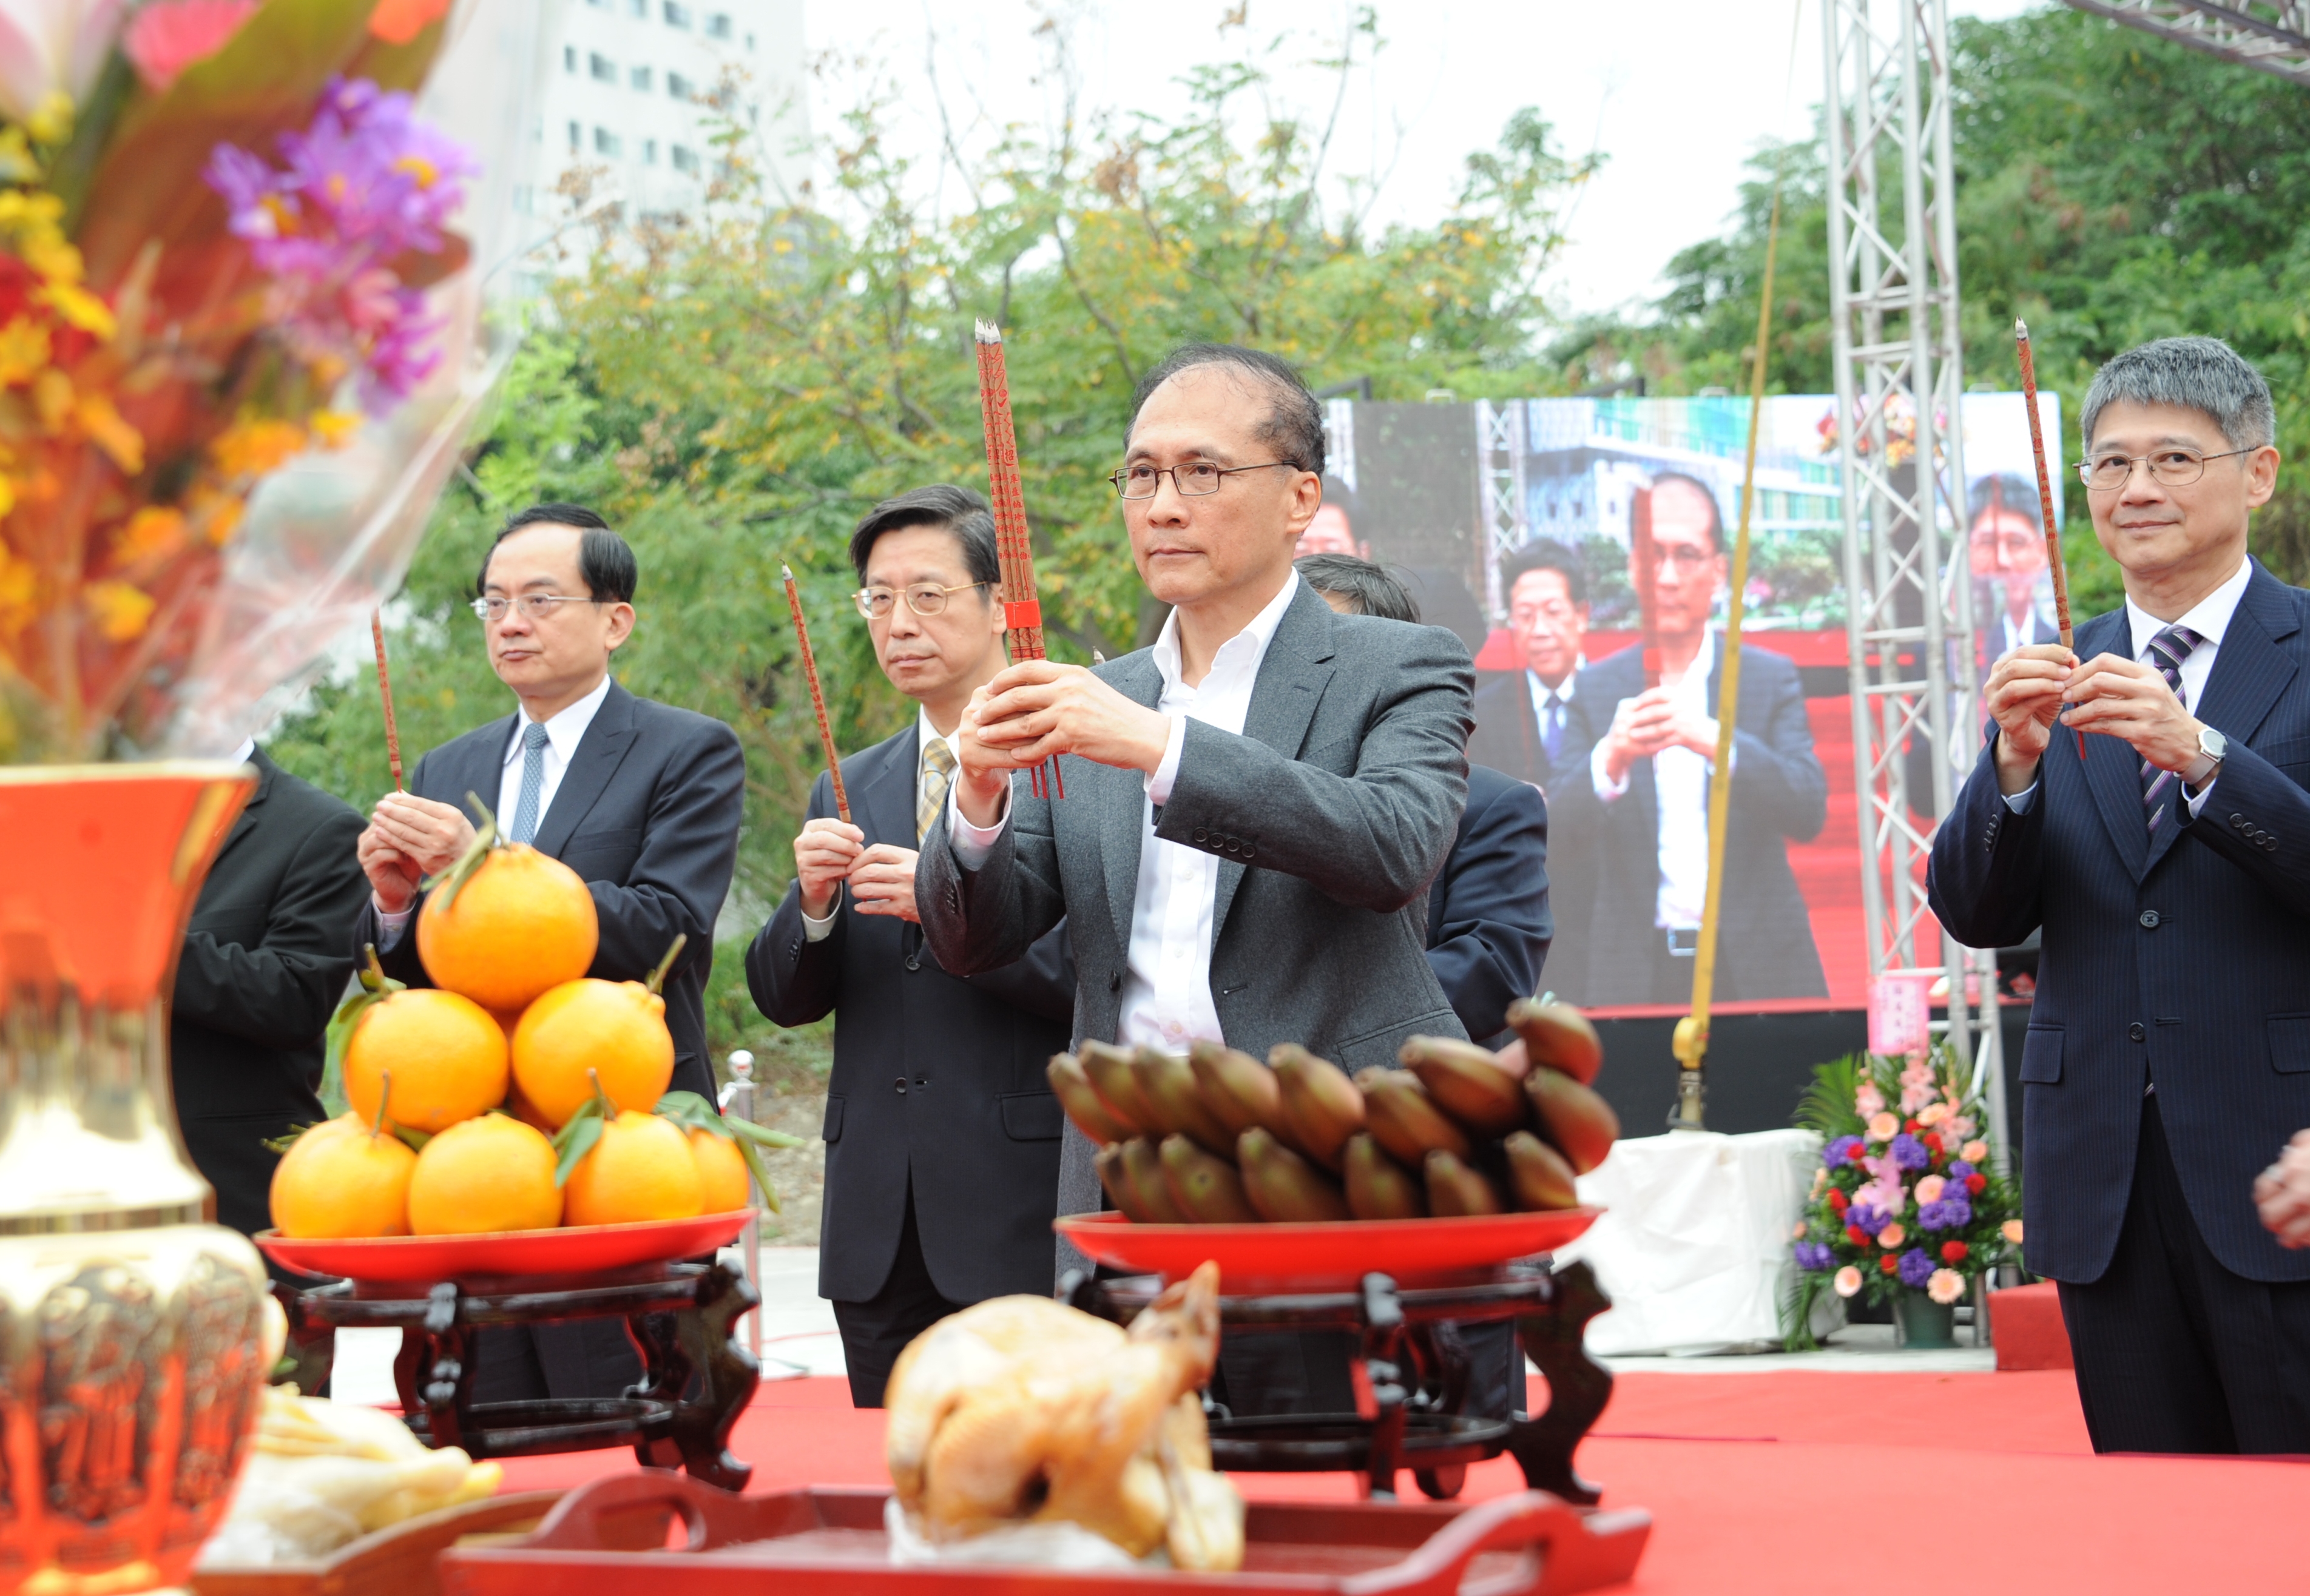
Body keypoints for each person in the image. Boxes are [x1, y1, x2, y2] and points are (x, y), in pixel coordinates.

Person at [917, 342, 1475, 1415]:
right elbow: (977, 935)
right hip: (1131, 1184)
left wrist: (1161, 746)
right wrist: (978, 799)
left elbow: (1394, 846)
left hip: (1337, 1165)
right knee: (1140, 1502)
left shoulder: (1397, 664)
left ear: (1298, 498)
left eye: (1202, 474)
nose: (1161, 505)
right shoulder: (1091, 698)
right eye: (1140, 475)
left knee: (1334, 1508)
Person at [1928, 335, 2310, 1455]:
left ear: (2259, 472)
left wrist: (2205, 759)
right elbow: (1975, 912)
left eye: (2175, 459)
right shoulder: (2056, 666)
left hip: (2275, 1156)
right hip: (2102, 1172)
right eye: (2110, 464)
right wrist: (2008, 767)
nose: (2137, 488)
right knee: (2152, 1521)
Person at [352, 502, 745, 1401]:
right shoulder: (452, 764)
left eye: (539, 598)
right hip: (472, 1147)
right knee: (479, 1410)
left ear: (616, 621)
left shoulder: (686, 750)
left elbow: (667, 924)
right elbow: (420, 973)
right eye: (492, 603)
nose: (511, 622)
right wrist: (390, 904)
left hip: (620, 1133)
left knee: (630, 1401)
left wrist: (485, 866)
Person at [746, 486, 1075, 1409]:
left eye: (926, 594)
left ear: (1000, 598)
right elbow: (784, 997)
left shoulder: (1072, 763)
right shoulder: (846, 783)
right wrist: (810, 905)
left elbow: (1104, 975)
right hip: (875, 1220)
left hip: (1019, 1200)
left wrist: (949, 912)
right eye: (877, 599)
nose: (898, 623)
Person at [1552, 473, 1828, 1005]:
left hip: (1755, 964)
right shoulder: (1596, 687)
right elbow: (1557, 835)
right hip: (1636, 971)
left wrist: (1714, 742)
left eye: (1686, 554)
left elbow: (1806, 808)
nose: (1668, 576)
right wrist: (1608, 758)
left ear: (1718, 570)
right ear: (1633, 568)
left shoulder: (1767, 677)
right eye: (1653, 555)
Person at [1297, 551, 1551, 1046]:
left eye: (1324, 652)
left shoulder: (1491, 806)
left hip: (1415, 1100)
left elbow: (1492, 969)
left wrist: (1311, 1020)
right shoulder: (1232, 797)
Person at [175, 740, 370, 1267]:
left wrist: (140, 935)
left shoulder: (319, 828)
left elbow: (294, 998)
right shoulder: (99, 817)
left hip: (237, 1210)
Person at [1468, 540, 1597, 996]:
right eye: (1524, 616)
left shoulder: (1618, 698)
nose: (1539, 629)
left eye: (1553, 612)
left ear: (1581, 614)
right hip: (1520, 911)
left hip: (1606, 905)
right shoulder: (1482, 711)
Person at [1970, 472, 2061, 671]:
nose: (2002, 560)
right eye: (1987, 542)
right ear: (1969, 551)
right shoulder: (1950, 656)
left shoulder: (2067, 644)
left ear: (2042, 554)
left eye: (2016, 543)